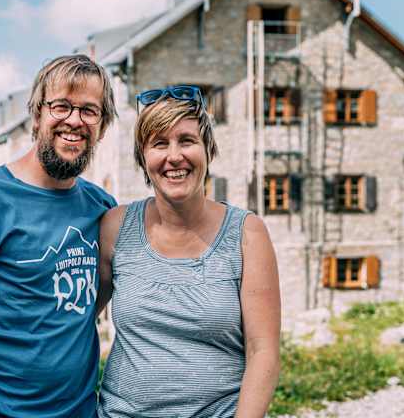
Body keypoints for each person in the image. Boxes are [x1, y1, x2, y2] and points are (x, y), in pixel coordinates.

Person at [0, 55, 117, 418]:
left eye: (89, 111)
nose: (74, 120)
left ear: (102, 126)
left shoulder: (101, 206)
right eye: (61, 106)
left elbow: (86, 307)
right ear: (36, 115)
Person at [97, 85, 281, 418]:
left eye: (187, 140)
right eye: (159, 143)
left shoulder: (247, 234)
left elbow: (263, 351)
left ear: (208, 149)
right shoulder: (115, 228)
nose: (174, 156)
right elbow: (73, 319)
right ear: (142, 158)